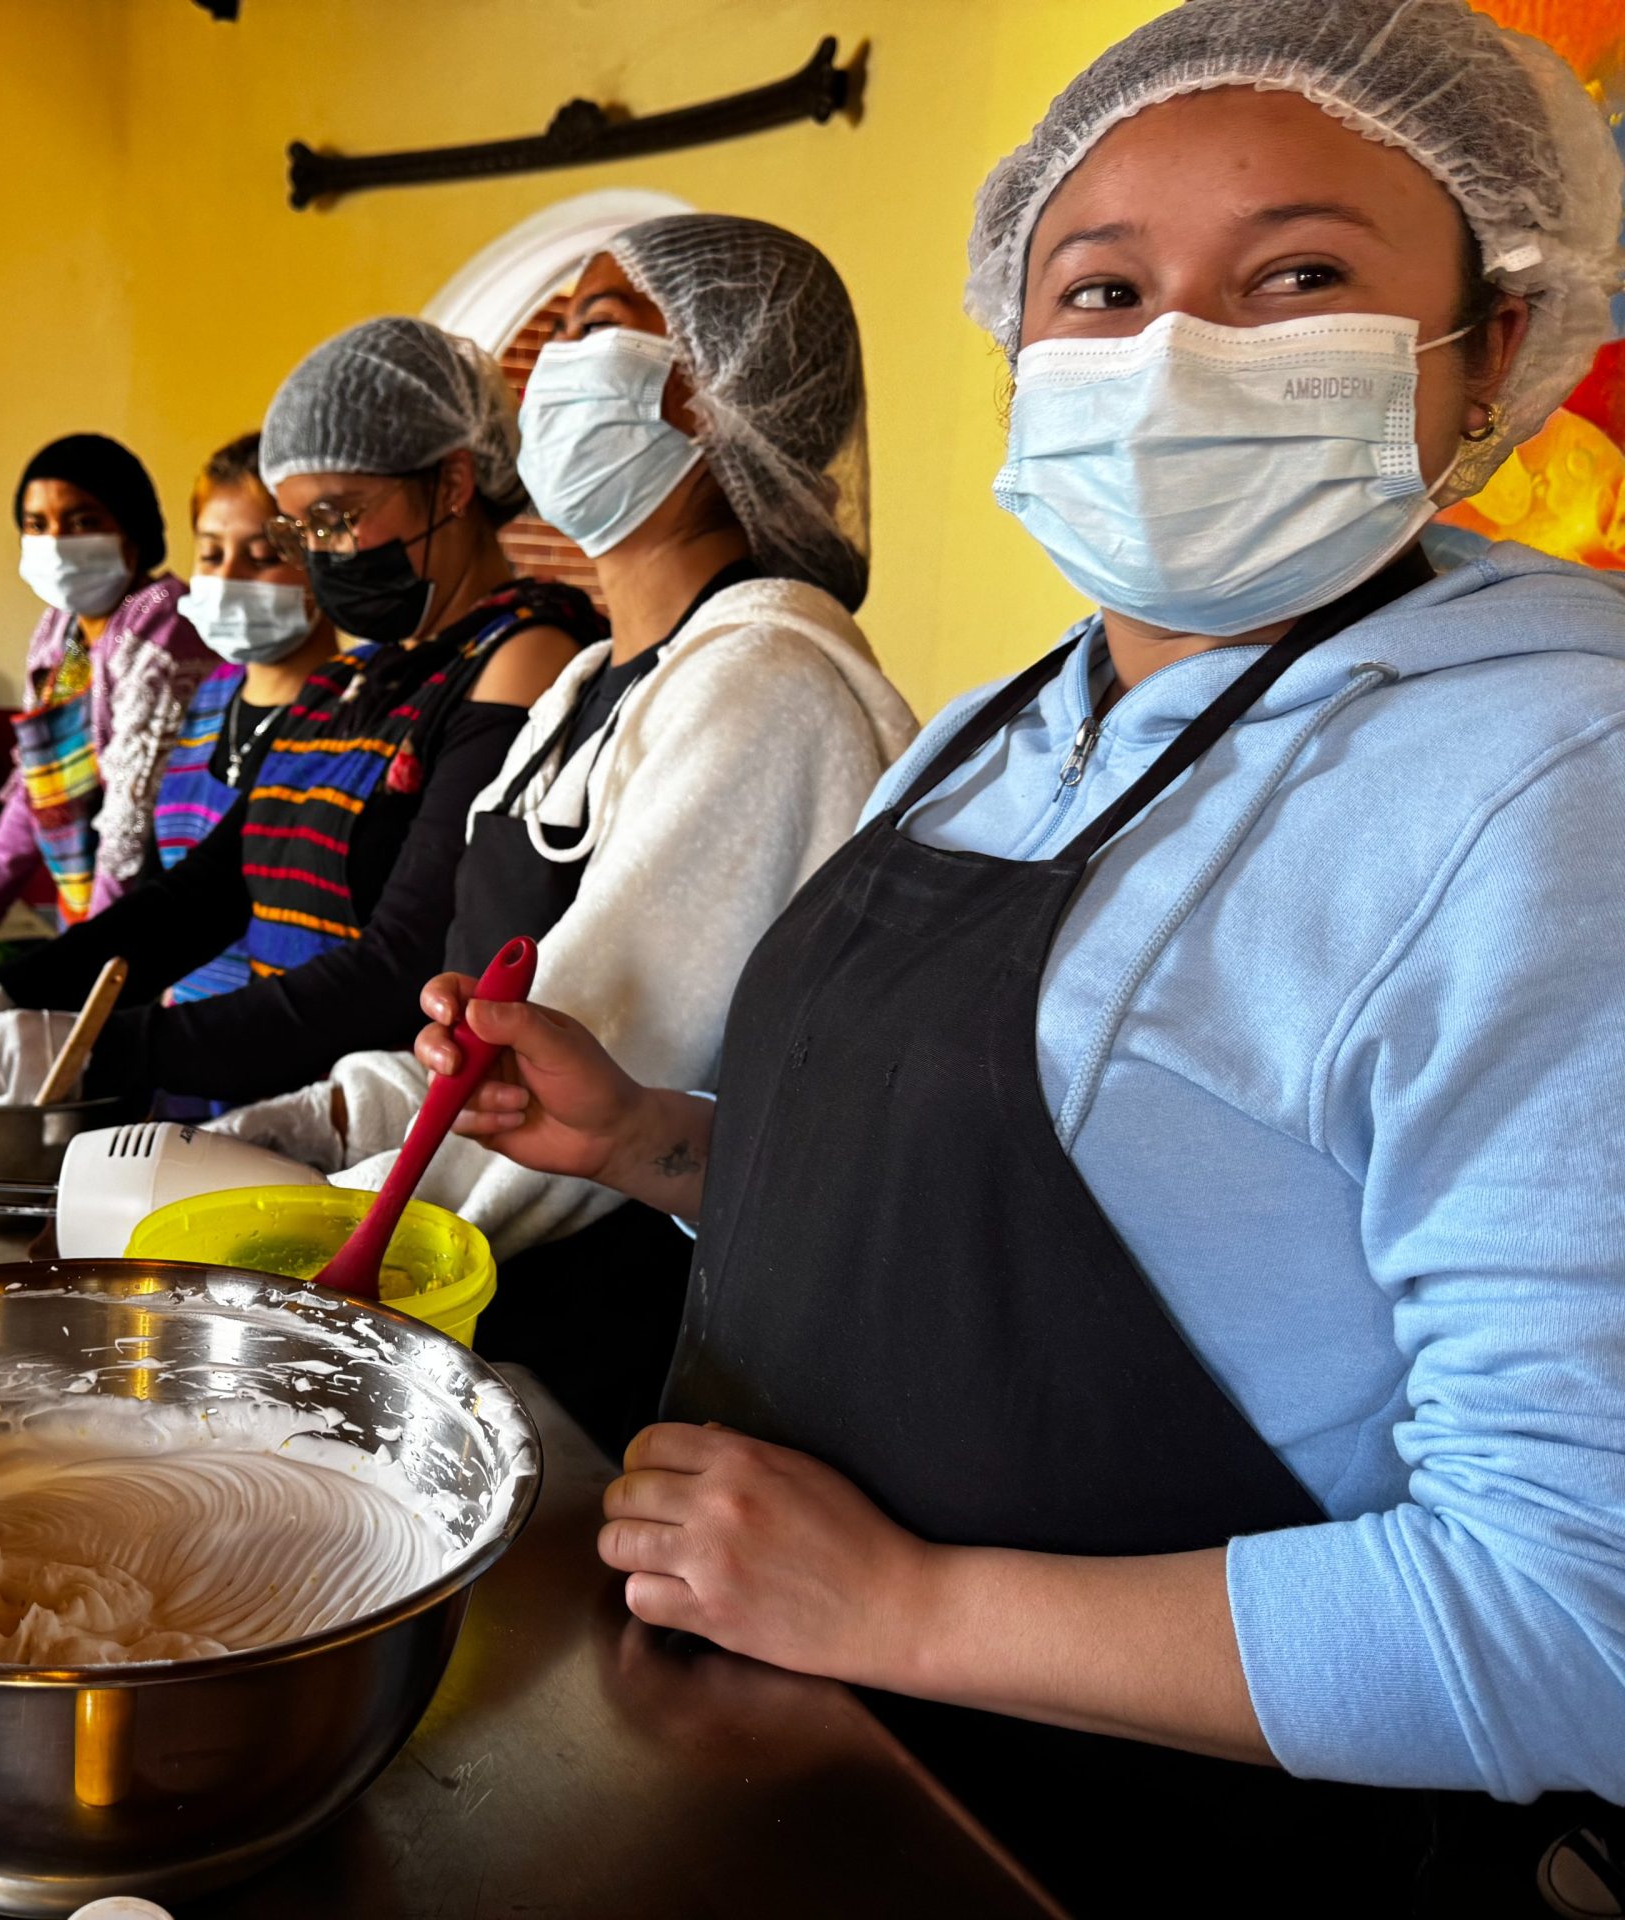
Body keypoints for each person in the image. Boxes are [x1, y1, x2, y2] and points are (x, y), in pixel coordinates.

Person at [413, 2, 1625, 1910]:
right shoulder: (1004, 723)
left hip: (1119, 1846)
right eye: (1104, 289)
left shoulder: (1554, 784)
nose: (1172, 352)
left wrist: (907, 1607)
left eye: (1298, 275)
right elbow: (1073, 1232)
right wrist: (655, 1141)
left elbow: (1582, 1621)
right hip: (792, 1742)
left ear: (1490, 349)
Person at [211, 215, 917, 1453]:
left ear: (716, 389)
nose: (541, 374)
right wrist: (340, 1111)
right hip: (498, 1302)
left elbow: (597, 1086)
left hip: (610, 1354)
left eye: (596, 327)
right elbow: (503, 1041)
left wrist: (307, 1247)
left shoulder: (762, 685)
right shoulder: (593, 679)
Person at [0, 317, 599, 1107]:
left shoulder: (527, 657)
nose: (320, 552)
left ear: (453, 484)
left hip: (382, 1119)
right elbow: (205, 892)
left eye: (337, 516)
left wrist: (109, 1051)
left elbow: (405, 962)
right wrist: (11, 991)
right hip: (272, 1100)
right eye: (302, 528)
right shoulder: (350, 681)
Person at [0, 434, 213, 935]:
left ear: (132, 531)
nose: (56, 542)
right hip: (95, 916)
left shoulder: (160, 625)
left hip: (165, 918)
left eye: (83, 521)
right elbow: (38, 784)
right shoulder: (65, 638)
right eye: (37, 525)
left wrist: (89, 952)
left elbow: (131, 820)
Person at [148, 431, 342, 1006]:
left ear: (326, 563)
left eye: (263, 557)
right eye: (211, 554)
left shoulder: (356, 713)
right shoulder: (211, 697)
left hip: (288, 1029)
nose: (229, 576)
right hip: (182, 1031)